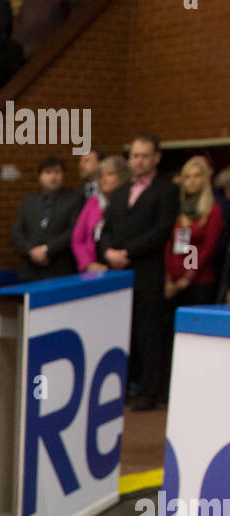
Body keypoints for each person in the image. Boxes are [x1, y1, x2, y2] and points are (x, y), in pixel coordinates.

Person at [97, 133, 179, 411]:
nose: (139, 161)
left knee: (148, 333)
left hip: (148, 272)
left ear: (156, 158)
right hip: (117, 274)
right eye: (134, 155)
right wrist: (108, 251)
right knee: (122, 331)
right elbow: (105, 229)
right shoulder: (119, 193)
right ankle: (123, 387)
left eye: (144, 155)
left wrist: (127, 252)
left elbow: (162, 230)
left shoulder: (165, 190)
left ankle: (148, 391)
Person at [161, 155, 224, 391]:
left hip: (200, 283)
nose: (192, 181)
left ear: (205, 179)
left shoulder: (213, 210)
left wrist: (187, 277)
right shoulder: (178, 211)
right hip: (174, 282)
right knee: (171, 335)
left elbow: (207, 249)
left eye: (197, 176)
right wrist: (169, 278)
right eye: (187, 176)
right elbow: (170, 246)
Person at [10, 156, 83, 281]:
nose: (53, 177)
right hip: (30, 268)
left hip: (60, 267)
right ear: (40, 176)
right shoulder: (28, 201)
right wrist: (31, 251)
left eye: (57, 172)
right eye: (48, 172)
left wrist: (47, 249)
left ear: (63, 175)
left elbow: (74, 230)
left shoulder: (75, 199)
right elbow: (17, 233)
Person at [71, 154, 127, 272]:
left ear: (123, 177)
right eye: (101, 176)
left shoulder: (129, 202)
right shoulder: (93, 202)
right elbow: (77, 238)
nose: (104, 180)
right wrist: (87, 263)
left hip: (122, 265)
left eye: (110, 174)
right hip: (94, 268)